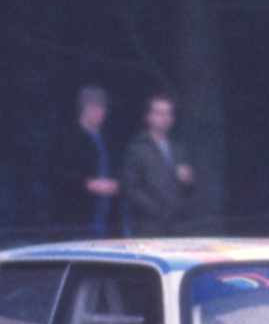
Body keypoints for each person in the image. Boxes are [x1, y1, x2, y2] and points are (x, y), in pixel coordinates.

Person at [50, 84, 121, 238]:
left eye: (101, 108)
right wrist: (88, 184)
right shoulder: (68, 138)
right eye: (93, 107)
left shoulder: (108, 141)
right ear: (83, 108)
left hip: (106, 222)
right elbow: (56, 175)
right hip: (77, 223)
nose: (98, 113)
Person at [121, 94, 195, 237]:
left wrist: (188, 181)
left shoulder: (179, 148)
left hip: (179, 226)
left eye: (168, 113)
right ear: (148, 117)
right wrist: (157, 210)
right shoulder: (137, 149)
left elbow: (190, 190)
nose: (164, 117)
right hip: (149, 227)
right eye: (159, 113)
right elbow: (130, 188)